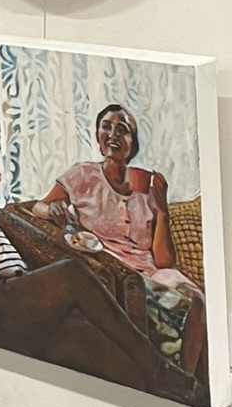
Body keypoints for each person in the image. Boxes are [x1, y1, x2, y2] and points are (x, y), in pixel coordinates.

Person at [0, 85, 202, 404]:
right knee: (71, 273)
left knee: (120, 365)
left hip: (23, 296)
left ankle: (181, 400)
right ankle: (161, 370)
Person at [37, 103, 206, 377]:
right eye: (107, 126)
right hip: (109, 268)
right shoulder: (83, 175)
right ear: (97, 136)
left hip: (149, 270)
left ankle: (186, 379)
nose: (113, 133)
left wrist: (162, 209)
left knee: (197, 298)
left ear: (132, 145)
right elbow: (39, 207)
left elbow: (163, 260)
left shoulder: (146, 188)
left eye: (123, 129)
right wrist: (51, 208)